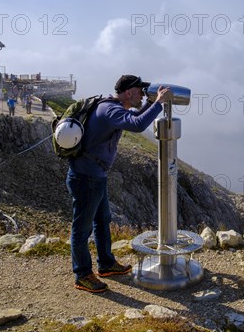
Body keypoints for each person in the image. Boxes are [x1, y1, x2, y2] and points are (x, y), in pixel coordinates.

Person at [67, 75, 171, 293]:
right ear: (129, 92)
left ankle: (106, 264)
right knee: (82, 229)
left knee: (103, 220)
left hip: (95, 176)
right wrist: (159, 103)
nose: (143, 95)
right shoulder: (111, 110)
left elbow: (134, 116)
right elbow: (137, 124)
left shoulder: (112, 107)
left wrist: (151, 104)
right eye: (140, 92)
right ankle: (83, 275)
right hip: (86, 178)